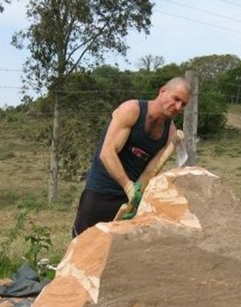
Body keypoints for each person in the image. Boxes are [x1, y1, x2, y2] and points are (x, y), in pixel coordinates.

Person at [72, 77, 191, 237]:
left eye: (183, 104)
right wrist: (128, 186)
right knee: (82, 244)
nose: (178, 107)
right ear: (163, 91)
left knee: (115, 252)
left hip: (127, 200)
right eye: (176, 99)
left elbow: (150, 171)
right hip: (100, 192)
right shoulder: (132, 110)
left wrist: (135, 199)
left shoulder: (170, 132)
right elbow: (107, 153)